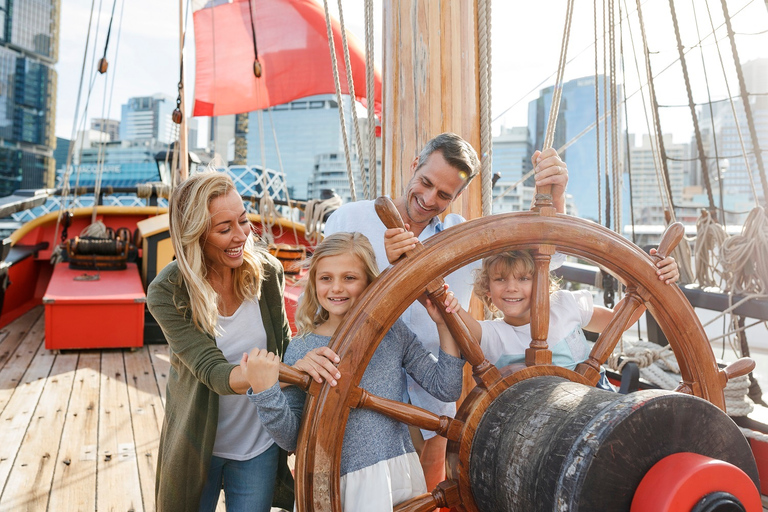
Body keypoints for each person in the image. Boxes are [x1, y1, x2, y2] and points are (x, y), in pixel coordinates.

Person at [323, 132, 570, 489]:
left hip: (434, 388)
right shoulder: (348, 219)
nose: (427, 199)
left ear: (457, 196)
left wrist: (555, 199)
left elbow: (540, 260)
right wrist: (389, 272)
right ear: (414, 166)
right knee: (362, 486)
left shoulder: (463, 240)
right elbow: (325, 294)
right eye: (424, 183)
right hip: (363, 380)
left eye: (443, 195)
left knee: (427, 489)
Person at [147, 171, 334, 512]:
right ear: (196, 235)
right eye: (224, 229)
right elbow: (214, 372)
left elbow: (283, 345)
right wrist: (274, 371)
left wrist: (295, 366)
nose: (241, 235)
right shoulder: (167, 291)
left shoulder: (268, 272)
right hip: (197, 444)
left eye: (244, 221)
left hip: (258, 443)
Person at [242, 232, 465, 511]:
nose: (337, 288)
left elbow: (446, 388)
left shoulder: (392, 333)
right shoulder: (302, 350)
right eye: (326, 278)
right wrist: (267, 393)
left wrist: (443, 325)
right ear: (314, 284)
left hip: (394, 477)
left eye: (349, 278)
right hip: (332, 486)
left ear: (369, 283)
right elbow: (291, 439)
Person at [452, 249, 679, 382]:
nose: (511, 287)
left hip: (594, 398)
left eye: (523, 278)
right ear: (488, 289)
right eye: (500, 279)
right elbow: (461, 322)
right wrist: (445, 299)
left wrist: (656, 277)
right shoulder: (494, 334)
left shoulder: (564, 304)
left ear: (542, 281)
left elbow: (617, 320)